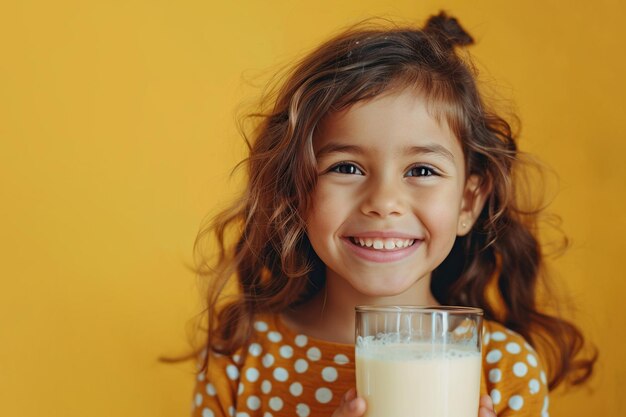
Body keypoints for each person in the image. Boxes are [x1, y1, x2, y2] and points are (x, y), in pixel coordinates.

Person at [188, 11, 596, 417]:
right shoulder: (241, 356)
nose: (384, 201)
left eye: (421, 170)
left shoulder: (505, 370)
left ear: (468, 203)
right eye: (346, 167)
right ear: (297, 192)